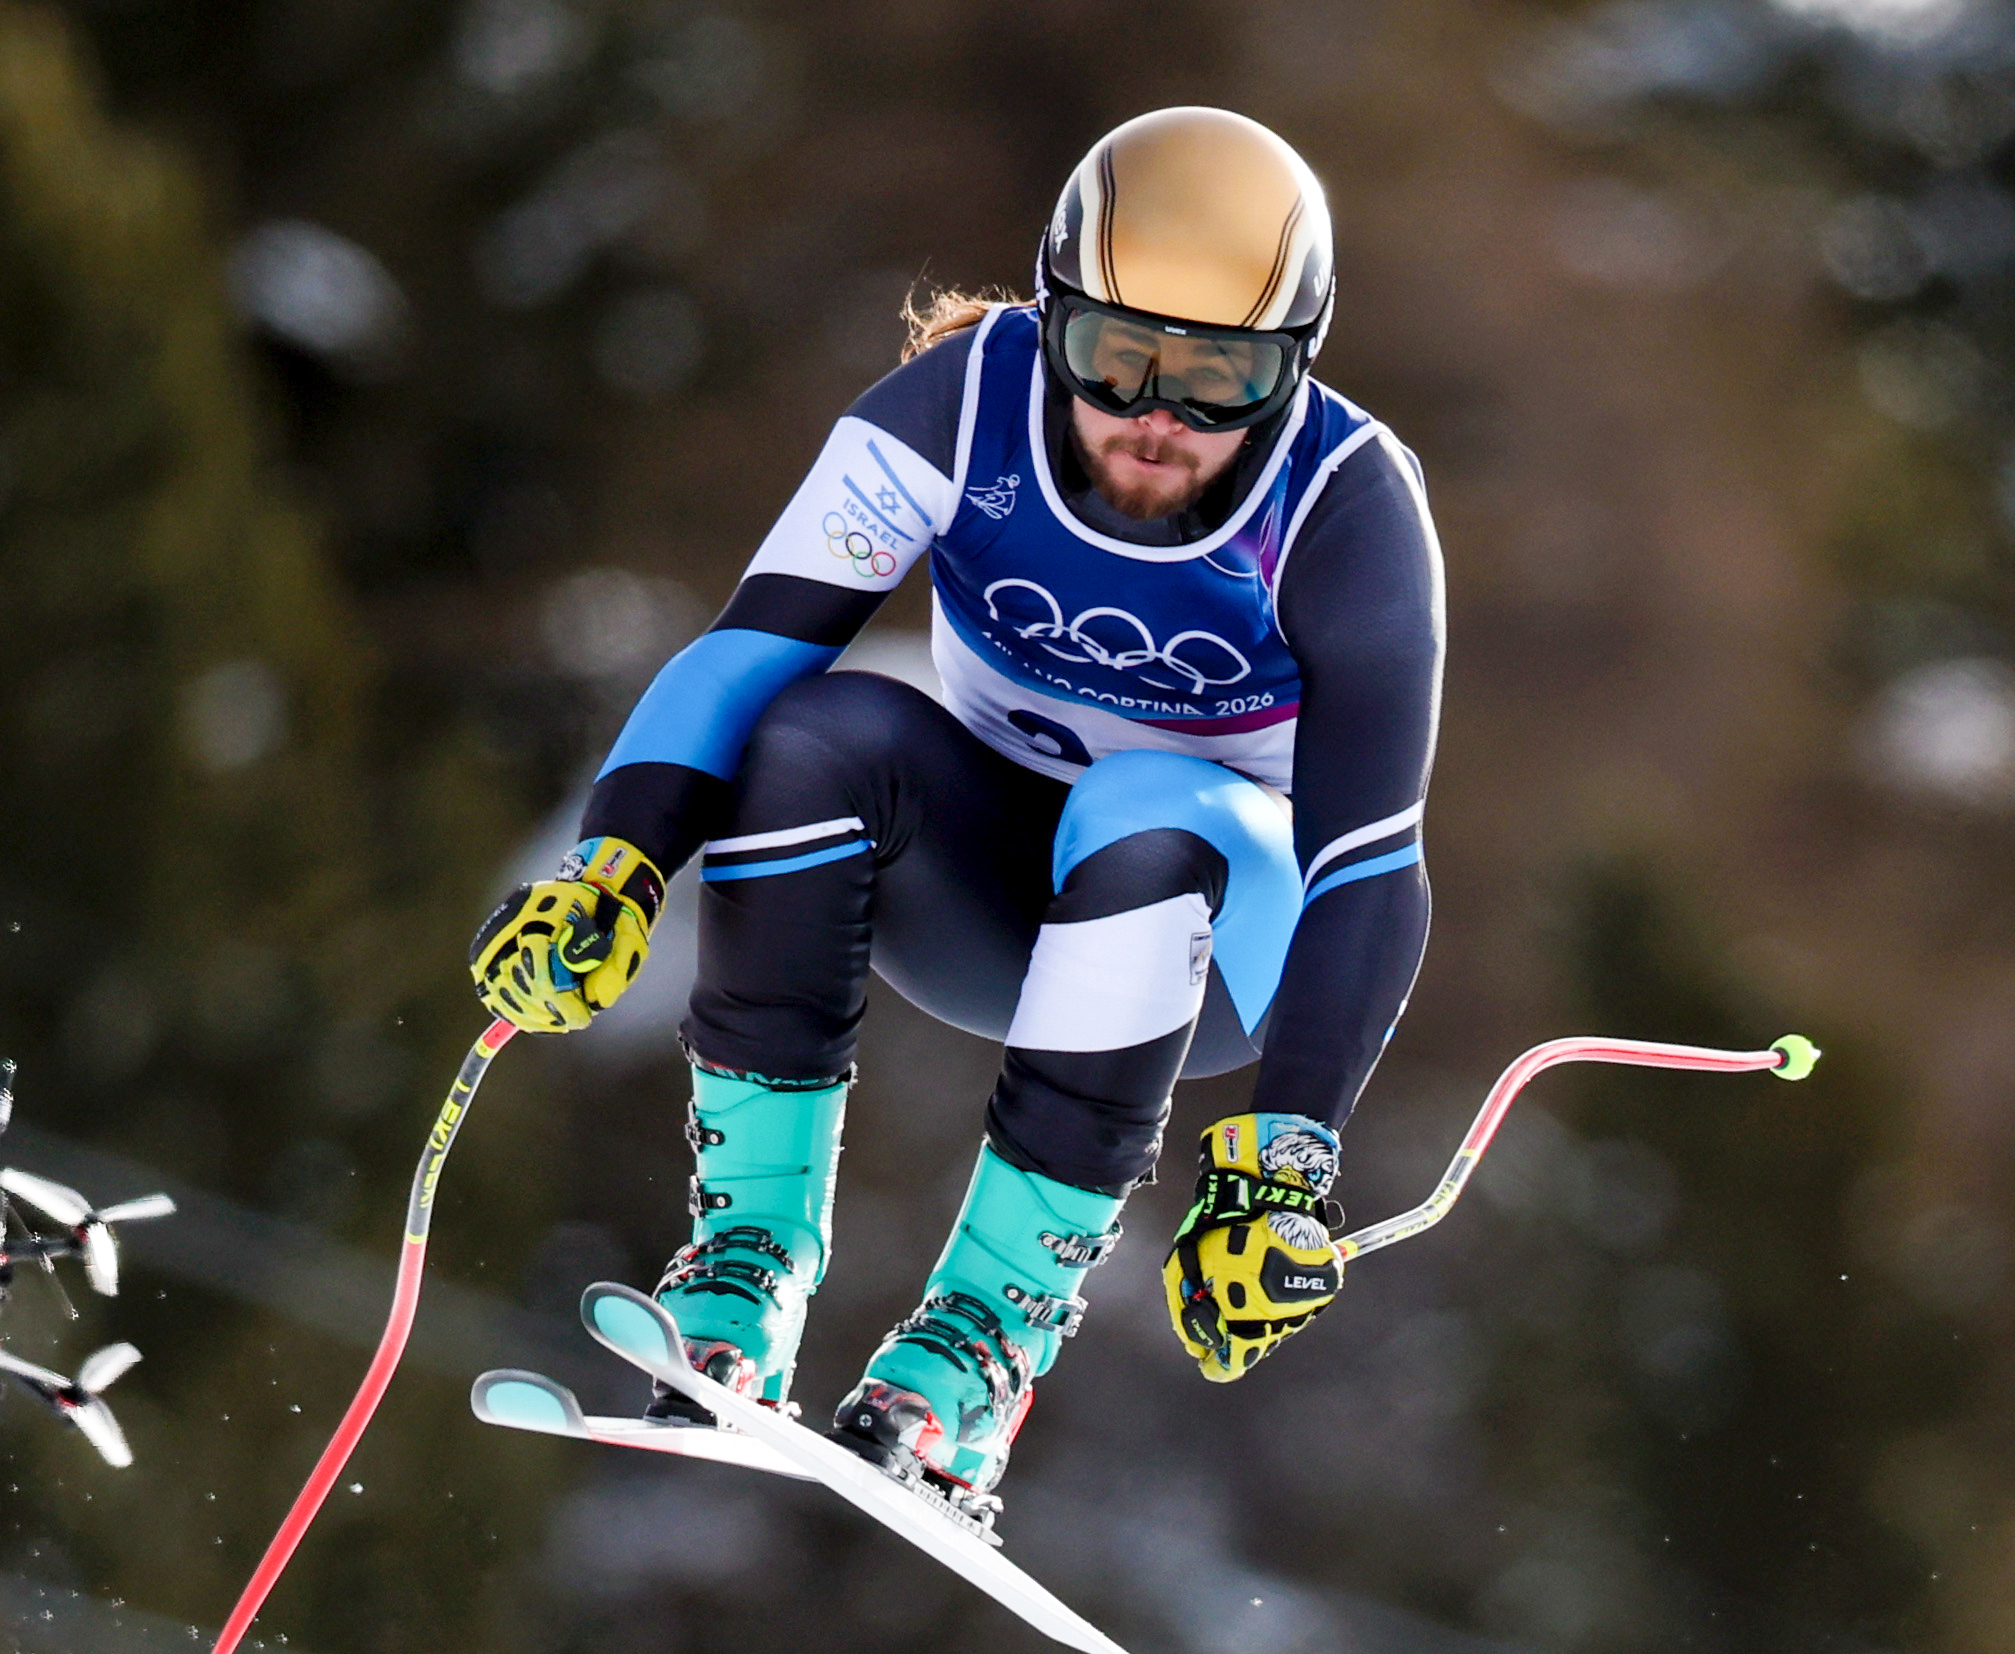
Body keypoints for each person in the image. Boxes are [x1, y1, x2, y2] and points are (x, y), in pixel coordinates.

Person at [468, 105, 1440, 1534]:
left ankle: (979, 1355)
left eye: (1219, 380)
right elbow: (747, 648)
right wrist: (612, 867)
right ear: (1050, 316)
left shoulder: (1346, 508)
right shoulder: (957, 405)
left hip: (1214, 941)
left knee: (1147, 796)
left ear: (1294, 367)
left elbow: (1373, 862)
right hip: (979, 893)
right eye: (1115, 359)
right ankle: (744, 1266)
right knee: (813, 728)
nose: (1154, 421)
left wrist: (1285, 1152)